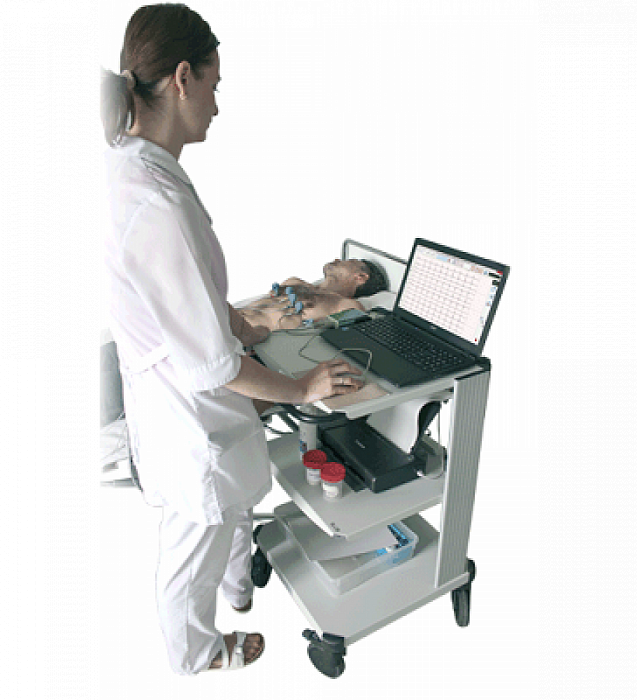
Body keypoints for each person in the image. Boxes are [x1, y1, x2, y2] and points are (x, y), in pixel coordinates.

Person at [100, 3, 364, 677]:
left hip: (170, 393)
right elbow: (214, 367)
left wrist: (241, 320)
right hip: (186, 417)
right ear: (183, 78)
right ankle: (197, 656)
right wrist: (301, 387)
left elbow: (176, 292)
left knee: (222, 519)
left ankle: (239, 589)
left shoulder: (133, 168)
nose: (217, 104)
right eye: (214, 85)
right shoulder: (156, 202)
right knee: (191, 547)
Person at [238, 259, 390, 332]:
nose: (337, 260)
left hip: (244, 342)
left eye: (347, 261)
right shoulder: (293, 282)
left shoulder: (346, 306)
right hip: (230, 318)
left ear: (361, 277)